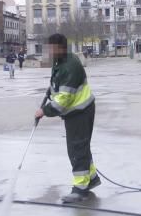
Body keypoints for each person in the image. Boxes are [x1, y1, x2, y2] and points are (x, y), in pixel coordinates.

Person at [34, 33, 100, 204]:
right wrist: (51, 90)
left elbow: (63, 101)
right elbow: (57, 83)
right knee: (81, 147)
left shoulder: (70, 66)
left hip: (80, 112)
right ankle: (90, 178)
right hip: (76, 112)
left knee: (77, 149)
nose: (48, 51)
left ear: (60, 48)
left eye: (51, 48)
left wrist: (44, 111)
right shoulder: (61, 61)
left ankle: (80, 189)